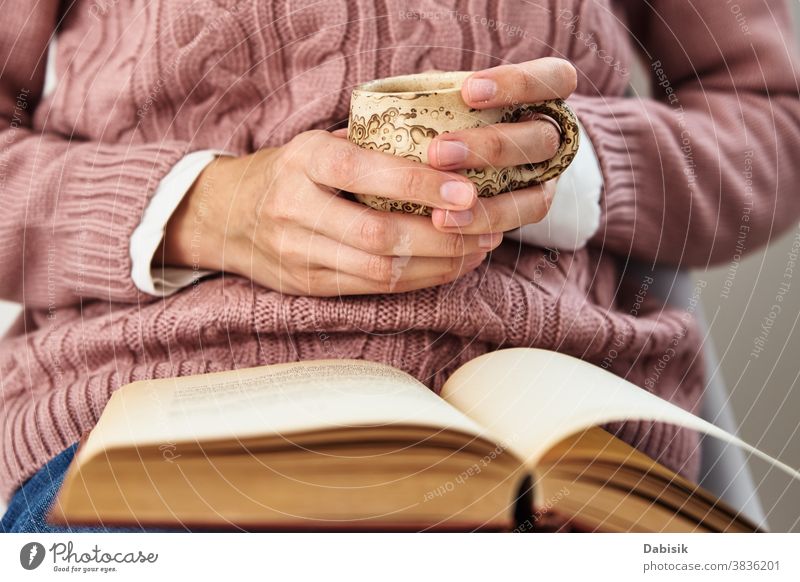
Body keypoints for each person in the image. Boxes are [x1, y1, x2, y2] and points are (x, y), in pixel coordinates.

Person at [1, 1, 799, 532]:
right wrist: (208, 209)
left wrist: (571, 167)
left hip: (566, 453)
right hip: (144, 433)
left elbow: (771, 117)